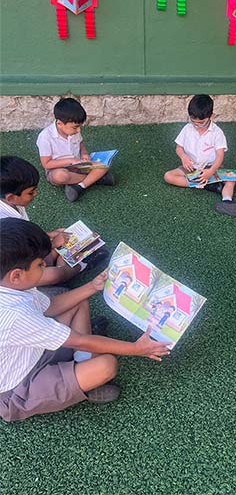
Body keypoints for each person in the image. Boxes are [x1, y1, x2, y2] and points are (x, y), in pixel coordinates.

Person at [0, 218, 170, 422]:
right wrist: (137, 348)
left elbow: (50, 306)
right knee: (106, 365)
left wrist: (92, 286)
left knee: (79, 303)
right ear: (16, 275)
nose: (45, 265)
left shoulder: (12, 287)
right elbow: (81, 341)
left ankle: (80, 366)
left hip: (30, 353)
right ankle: (84, 380)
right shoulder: (15, 316)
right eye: (39, 264)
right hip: (17, 388)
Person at [0, 155, 94, 286]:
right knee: (55, 274)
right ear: (11, 197)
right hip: (12, 273)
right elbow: (17, 256)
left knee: (55, 249)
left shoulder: (12, 203)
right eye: (31, 192)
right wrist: (52, 244)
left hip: (24, 259)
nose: (36, 194)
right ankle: (80, 266)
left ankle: (60, 259)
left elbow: (24, 238)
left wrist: (47, 235)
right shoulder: (5, 222)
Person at [163, 94, 236, 217]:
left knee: (231, 180)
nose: (197, 125)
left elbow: (220, 156)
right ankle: (204, 184)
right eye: (193, 122)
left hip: (211, 167)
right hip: (191, 167)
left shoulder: (217, 133)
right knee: (168, 176)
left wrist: (211, 171)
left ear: (211, 116)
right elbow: (179, 148)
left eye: (201, 123)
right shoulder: (187, 129)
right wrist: (183, 157)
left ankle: (227, 201)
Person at [36, 97, 114, 202]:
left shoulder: (73, 131)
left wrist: (84, 153)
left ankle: (79, 187)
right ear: (59, 124)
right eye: (75, 127)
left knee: (107, 163)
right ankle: (97, 179)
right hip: (58, 168)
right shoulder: (45, 137)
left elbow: (81, 144)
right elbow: (46, 164)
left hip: (79, 165)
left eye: (79, 126)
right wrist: (71, 161)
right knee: (60, 176)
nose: (79, 130)